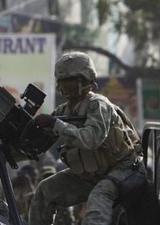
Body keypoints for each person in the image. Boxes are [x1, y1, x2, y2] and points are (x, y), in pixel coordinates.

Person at [27, 51, 145, 225]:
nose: (68, 89)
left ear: (87, 81)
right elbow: (38, 144)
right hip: (92, 174)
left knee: (99, 197)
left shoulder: (99, 105)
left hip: (124, 170)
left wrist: (55, 124)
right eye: (64, 83)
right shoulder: (64, 111)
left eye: (72, 83)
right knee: (45, 191)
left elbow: (91, 139)